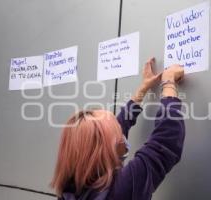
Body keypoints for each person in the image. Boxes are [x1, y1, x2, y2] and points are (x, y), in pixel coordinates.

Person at [50, 58, 185, 200]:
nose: (121, 133)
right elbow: (165, 142)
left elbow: (115, 129)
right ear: (106, 150)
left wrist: (143, 88)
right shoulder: (123, 189)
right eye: (117, 133)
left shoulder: (70, 189)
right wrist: (168, 81)